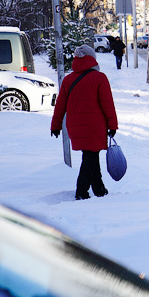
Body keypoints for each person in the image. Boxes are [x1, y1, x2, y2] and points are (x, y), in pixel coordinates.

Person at [50, 45, 118, 201]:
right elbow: (107, 104)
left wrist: (56, 125)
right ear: (92, 58)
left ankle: (99, 189)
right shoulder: (99, 78)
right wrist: (112, 125)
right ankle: (81, 191)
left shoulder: (68, 79)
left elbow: (60, 105)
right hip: (95, 125)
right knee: (90, 157)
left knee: (91, 155)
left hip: (75, 126)